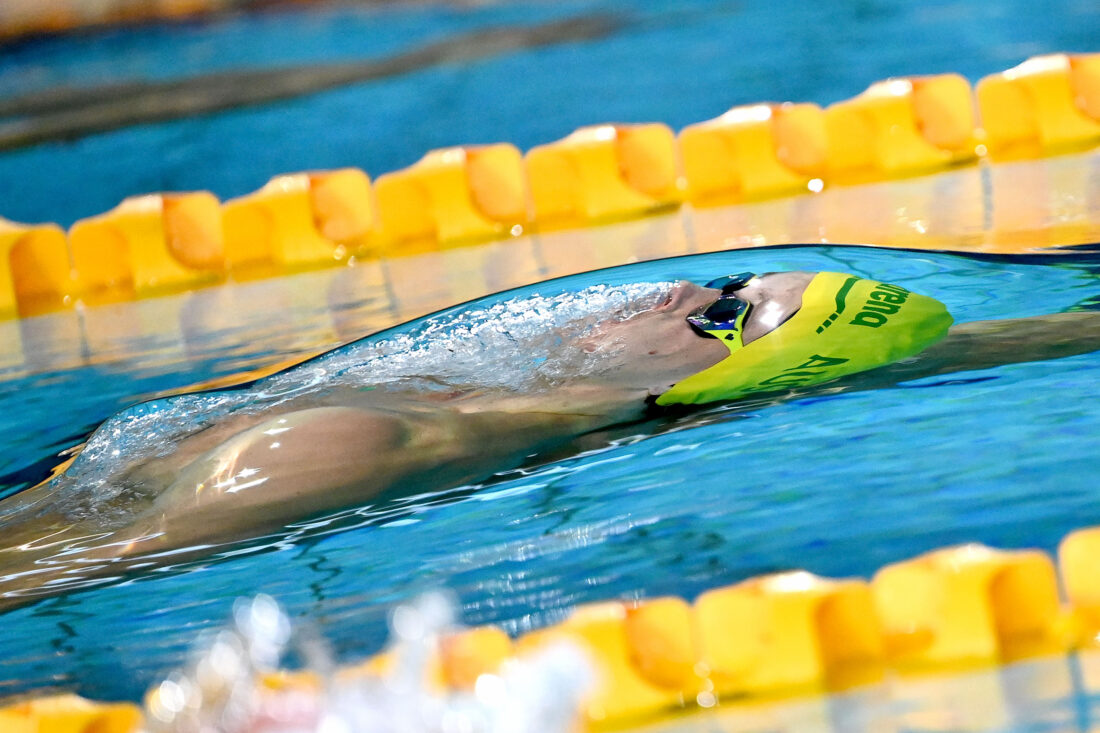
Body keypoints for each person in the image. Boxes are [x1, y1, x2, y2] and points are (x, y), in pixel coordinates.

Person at [0, 268, 1097, 610]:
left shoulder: (340, 450)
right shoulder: (458, 382)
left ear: (707, 386)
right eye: (732, 281)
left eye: (720, 315)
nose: (688, 292)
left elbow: (60, 565)